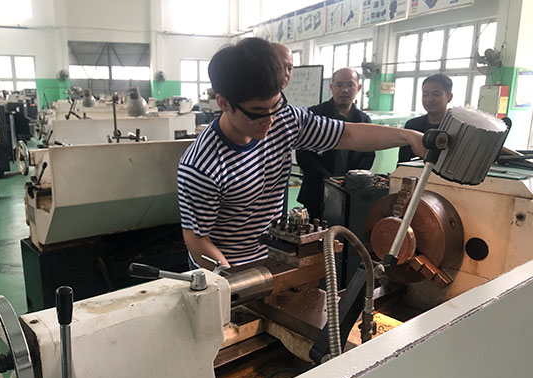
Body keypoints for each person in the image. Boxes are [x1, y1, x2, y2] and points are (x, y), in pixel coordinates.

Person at [178, 38, 426, 270]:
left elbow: (348, 135)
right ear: (223, 103)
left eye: (275, 106)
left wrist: (409, 137)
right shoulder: (201, 166)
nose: (270, 120)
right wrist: (233, 282)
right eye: (258, 112)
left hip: (275, 255)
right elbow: (198, 240)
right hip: (226, 267)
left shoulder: (284, 120)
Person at [296, 68, 374, 219]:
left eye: (350, 85)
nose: (344, 90)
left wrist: (349, 180)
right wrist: (329, 180)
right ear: (331, 87)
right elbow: (304, 154)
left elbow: (368, 154)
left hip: (351, 191)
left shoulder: (363, 120)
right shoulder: (314, 115)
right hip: (316, 191)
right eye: (339, 85)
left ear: (358, 88)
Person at [398, 73, 453, 163]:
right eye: (425, 94)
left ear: (449, 97)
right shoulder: (412, 125)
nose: (429, 99)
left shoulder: (456, 128)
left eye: (436, 94)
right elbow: (402, 162)